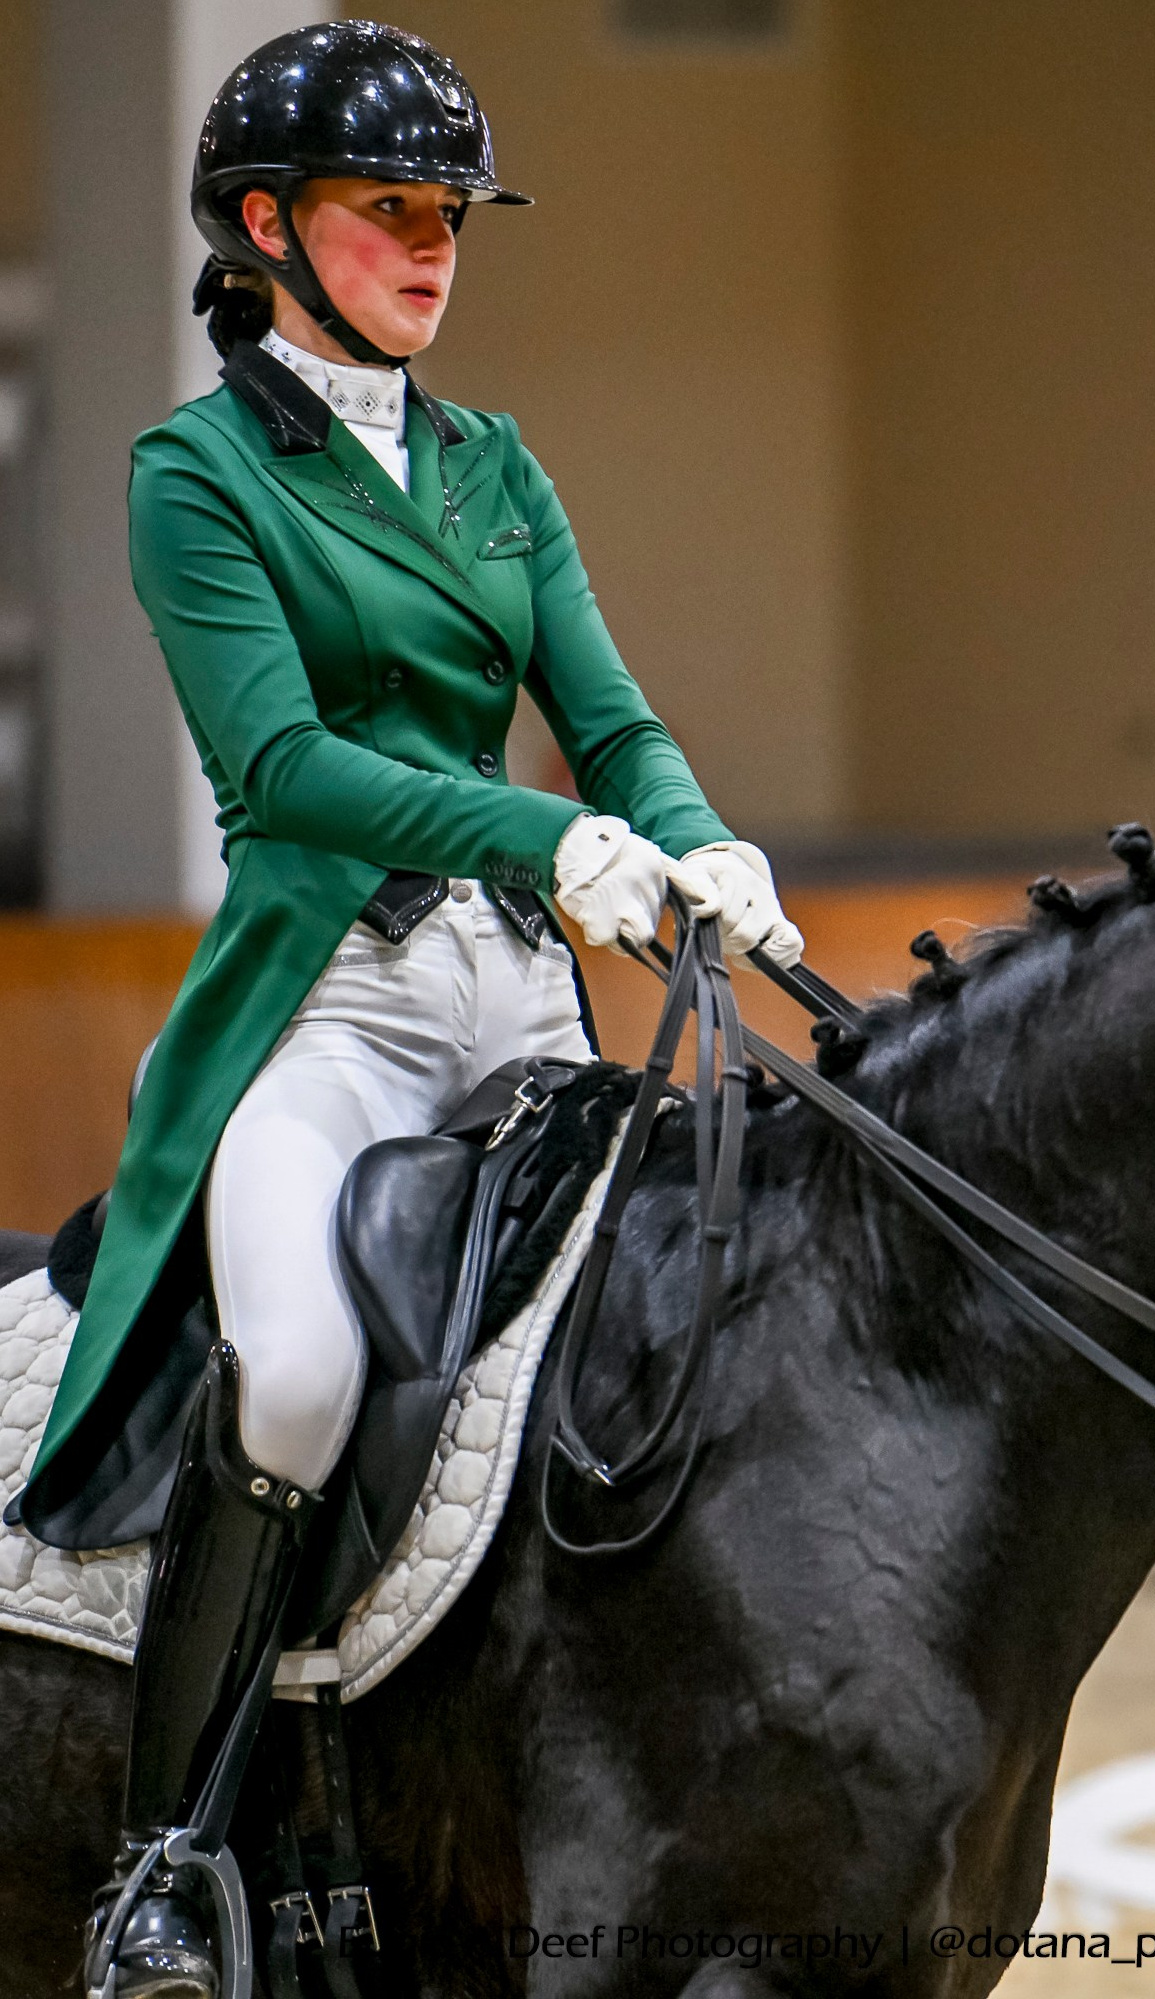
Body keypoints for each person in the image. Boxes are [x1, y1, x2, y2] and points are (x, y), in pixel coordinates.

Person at [9, 24, 803, 1993]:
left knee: (681, 1331)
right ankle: (168, 1859)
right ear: (265, 226)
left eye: (451, 214)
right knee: (293, 1371)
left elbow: (611, 719)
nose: (436, 247)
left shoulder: (495, 465)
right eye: (391, 210)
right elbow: (283, 765)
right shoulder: (193, 474)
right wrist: (549, 833)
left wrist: (699, 843)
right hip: (334, 1004)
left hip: (523, 1003)